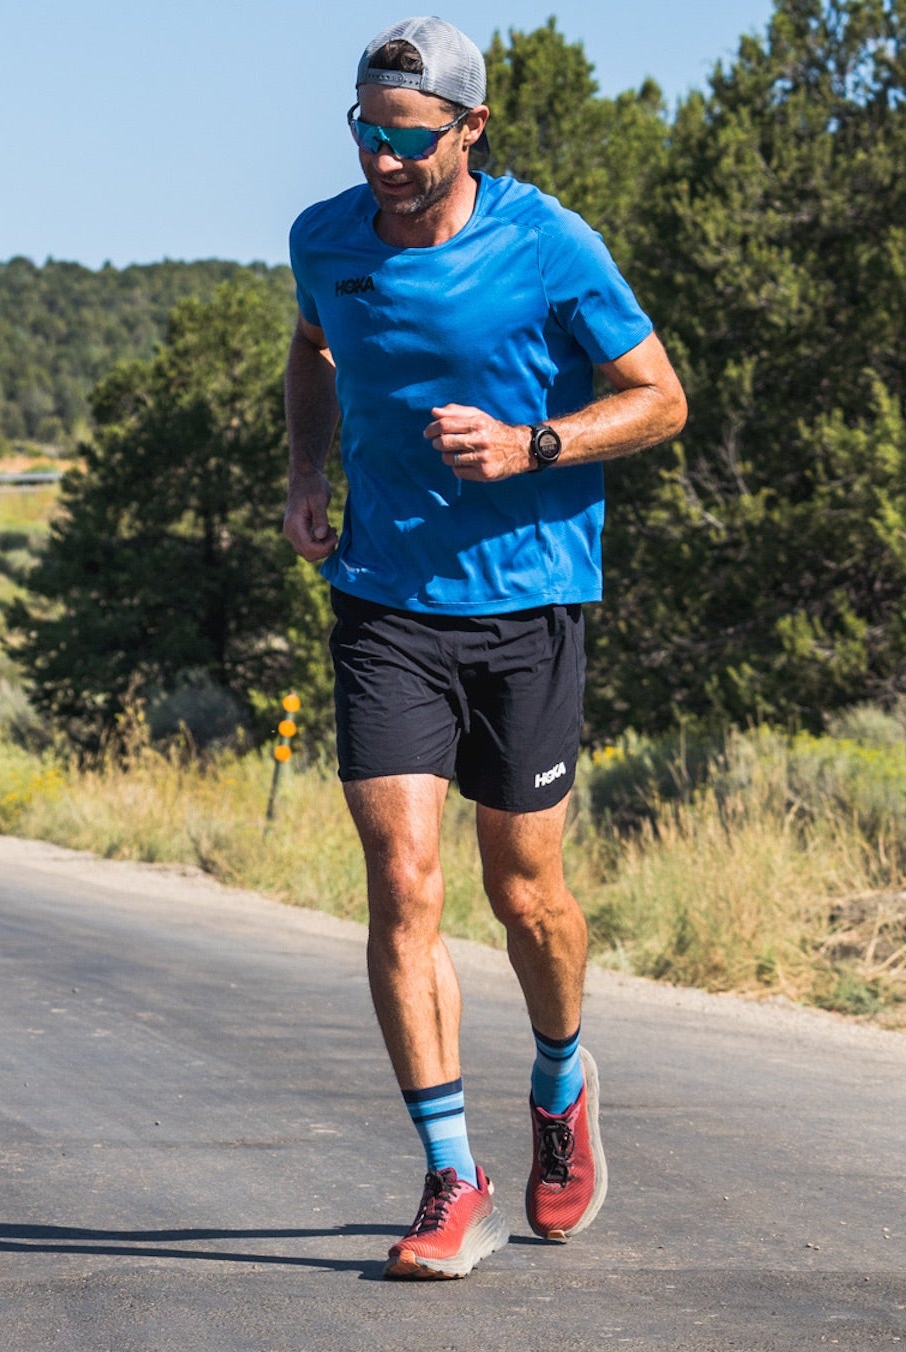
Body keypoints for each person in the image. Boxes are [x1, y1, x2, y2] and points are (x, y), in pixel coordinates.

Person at [283, 18, 688, 1278]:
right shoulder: (325, 237)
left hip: (529, 605)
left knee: (526, 894)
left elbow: (662, 398)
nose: (384, 157)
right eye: (367, 129)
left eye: (408, 134)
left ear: (470, 128)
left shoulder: (548, 243)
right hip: (387, 603)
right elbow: (312, 349)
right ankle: (453, 1177)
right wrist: (306, 469)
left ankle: (562, 1083)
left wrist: (536, 444)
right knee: (403, 880)